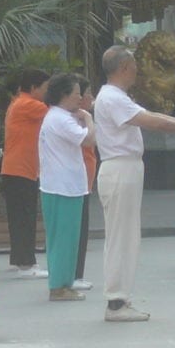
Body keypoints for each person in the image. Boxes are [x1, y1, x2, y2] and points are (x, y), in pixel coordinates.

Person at [94, 45, 175, 322]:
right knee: (121, 237)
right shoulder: (113, 98)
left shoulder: (115, 96)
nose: (137, 72)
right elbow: (152, 121)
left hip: (125, 168)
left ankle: (120, 298)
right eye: (135, 67)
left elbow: (150, 117)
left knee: (125, 236)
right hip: (120, 168)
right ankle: (116, 301)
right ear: (124, 68)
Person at [38, 73, 95, 301]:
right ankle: (60, 286)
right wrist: (89, 119)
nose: (80, 98)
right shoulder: (61, 118)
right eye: (76, 94)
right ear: (64, 95)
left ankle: (62, 283)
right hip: (64, 186)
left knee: (62, 237)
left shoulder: (56, 116)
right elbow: (89, 140)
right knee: (65, 238)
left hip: (59, 184)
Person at [0, 68, 50, 278]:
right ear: (33, 88)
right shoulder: (29, 104)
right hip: (21, 169)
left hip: (18, 168)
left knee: (20, 217)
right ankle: (26, 264)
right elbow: (57, 113)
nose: (47, 93)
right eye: (46, 88)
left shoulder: (19, 103)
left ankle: (20, 258)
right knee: (25, 217)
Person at [73, 81, 97, 292]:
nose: (91, 97)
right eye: (87, 93)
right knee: (77, 229)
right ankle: (74, 274)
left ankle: (76, 273)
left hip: (85, 179)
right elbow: (89, 140)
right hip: (77, 181)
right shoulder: (76, 119)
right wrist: (90, 120)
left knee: (81, 228)